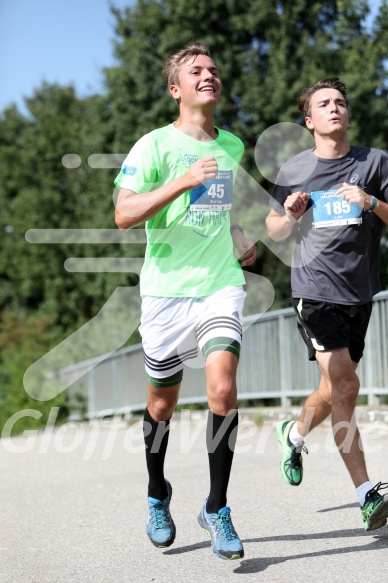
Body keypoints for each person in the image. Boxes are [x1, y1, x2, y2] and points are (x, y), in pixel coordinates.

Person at [114, 42, 256, 559]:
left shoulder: (233, 146)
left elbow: (219, 207)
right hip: (165, 293)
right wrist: (182, 181)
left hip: (220, 283)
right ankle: (158, 493)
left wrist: (239, 233)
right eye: (196, 71)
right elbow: (124, 214)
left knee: (222, 389)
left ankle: (217, 506)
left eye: (214, 69)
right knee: (161, 404)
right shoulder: (152, 146)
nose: (209, 75)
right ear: (176, 89)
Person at [266, 77, 388, 531]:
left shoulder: (375, 162)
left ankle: (294, 435)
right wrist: (290, 216)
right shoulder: (294, 170)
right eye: (324, 104)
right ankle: (366, 494)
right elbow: (274, 229)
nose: (334, 108)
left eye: (340, 102)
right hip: (313, 291)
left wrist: (371, 200)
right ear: (309, 120)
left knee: (335, 387)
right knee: (347, 384)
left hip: (359, 294)